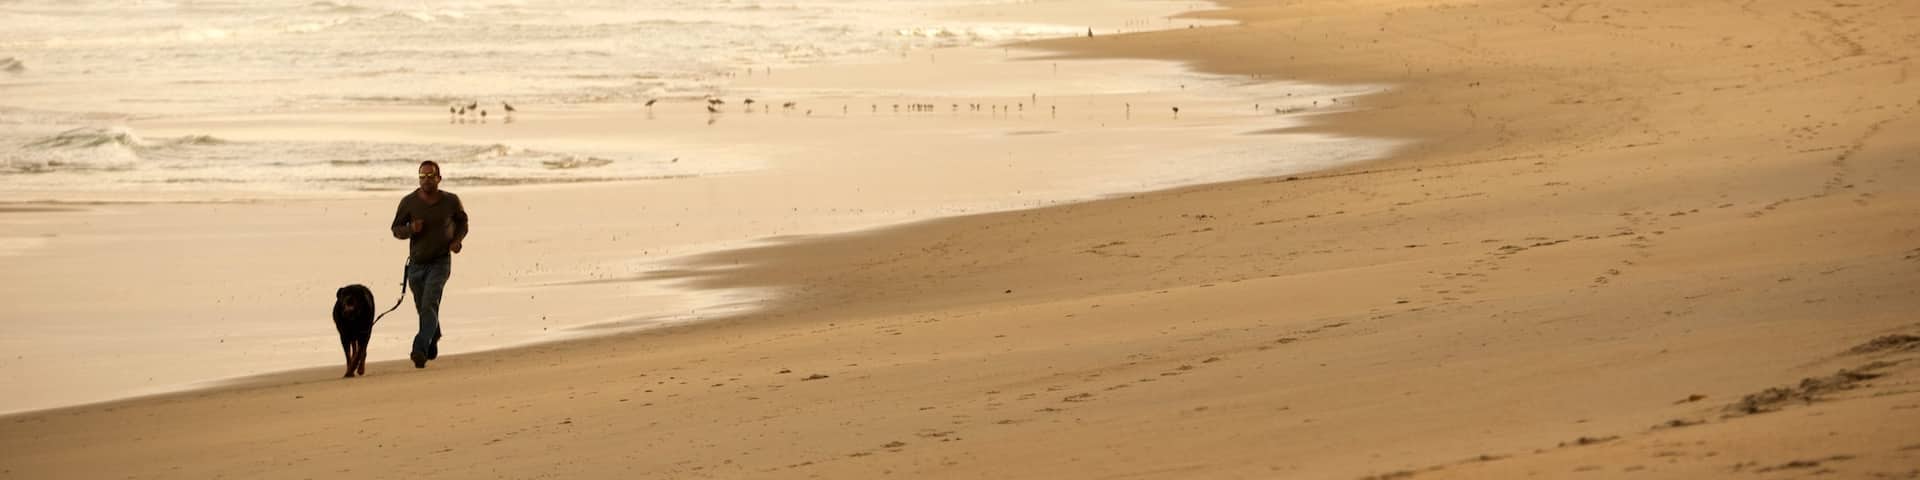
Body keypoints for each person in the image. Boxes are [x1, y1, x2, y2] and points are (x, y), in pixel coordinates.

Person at [389, 160, 469, 369]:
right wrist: (410, 229)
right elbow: (396, 229)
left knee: (429, 303)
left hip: (440, 261)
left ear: (439, 178)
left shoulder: (451, 201)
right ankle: (434, 334)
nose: (426, 180)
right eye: (422, 176)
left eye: (430, 176)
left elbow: (463, 222)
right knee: (423, 308)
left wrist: (457, 240)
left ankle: (420, 349)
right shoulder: (409, 202)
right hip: (416, 265)